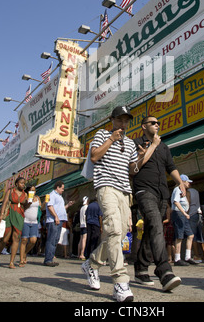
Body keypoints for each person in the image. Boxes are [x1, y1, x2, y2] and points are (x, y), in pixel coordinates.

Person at [81, 106, 143, 302]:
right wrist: (111, 139)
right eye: (120, 120)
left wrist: (142, 155)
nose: (123, 124)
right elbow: (94, 156)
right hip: (106, 186)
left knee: (120, 232)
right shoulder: (102, 134)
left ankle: (92, 263)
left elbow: (133, 169)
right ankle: (120, 282)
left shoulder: (131, 144)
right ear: (112, 120)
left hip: (125, 191)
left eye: (126, 121)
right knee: (114, 230)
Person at [132, 116, 185, 291]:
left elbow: (171, 167)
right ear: (144, 126)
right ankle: (164, 271)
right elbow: (134, 167)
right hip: (143, 190)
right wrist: (152, 145)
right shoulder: (137, 143)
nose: (157, 125)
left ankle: (140, 268)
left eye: (158, 123)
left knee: (151, 229)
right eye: (153, 123)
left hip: (162, 192)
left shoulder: (164, 147)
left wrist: (180, 183)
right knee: (155, 225)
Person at [0, 177, 27, 269]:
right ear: (16, 184)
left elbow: (26, 206)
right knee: (5, 238)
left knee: (16, 238)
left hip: (19, 215)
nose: (23, 185)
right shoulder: (10, 191)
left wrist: (29, 203)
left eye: (24, 183)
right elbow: (4, 203)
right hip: (9, 213)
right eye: (21, 183)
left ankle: (11, 262)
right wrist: (1, 214)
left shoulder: (26, 194)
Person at [43, 181, 74, 267]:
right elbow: (50, 206)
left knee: (55, 240)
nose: (63, 190)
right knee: (52, 240)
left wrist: (68, 205)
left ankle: (50, 258)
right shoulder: (52, 195)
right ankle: (48, 260)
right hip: (54, 221)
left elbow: (60, 208)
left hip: (59, 220)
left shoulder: (59, 197)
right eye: (62, 188)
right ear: (57, 187)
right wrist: (56, 217)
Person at [171, 174, 198, 266]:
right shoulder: (177, 190)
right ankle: (177, 259)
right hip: (179, 214)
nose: (188, 184)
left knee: (190, 235)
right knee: (179, 236)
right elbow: (176, 202)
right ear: (182, 181)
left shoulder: (183, 191)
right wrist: (184, 213)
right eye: (187, 182)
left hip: (183, 215)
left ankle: (187, 257)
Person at [19, 185, 41, 267]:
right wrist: (29, 202)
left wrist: (45, 202)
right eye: (31, 190)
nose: (33, 192)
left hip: (34, 222)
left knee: (33, 240)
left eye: (34, 190)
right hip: (26, 220)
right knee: (24, 239)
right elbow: (23, 208)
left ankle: (25, 253)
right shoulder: (25, 197)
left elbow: (40, 208)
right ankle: (21, 259)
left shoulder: (38, 198)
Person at [188, 185, 204, 263]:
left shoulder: (187, 192)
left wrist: (186, 214)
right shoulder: (196, 191)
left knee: (193, 236)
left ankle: (197, 256)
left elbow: (188, 203)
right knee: (200, 235)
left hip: (191, 214)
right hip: (199, 214)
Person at [78, 196, 88, 260]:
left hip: (81, 224)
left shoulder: (81, 208)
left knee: (81, 240)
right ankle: (82, 254)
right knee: (84, 239)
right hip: (85, 225)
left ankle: (78, 254)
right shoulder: (86, 207)